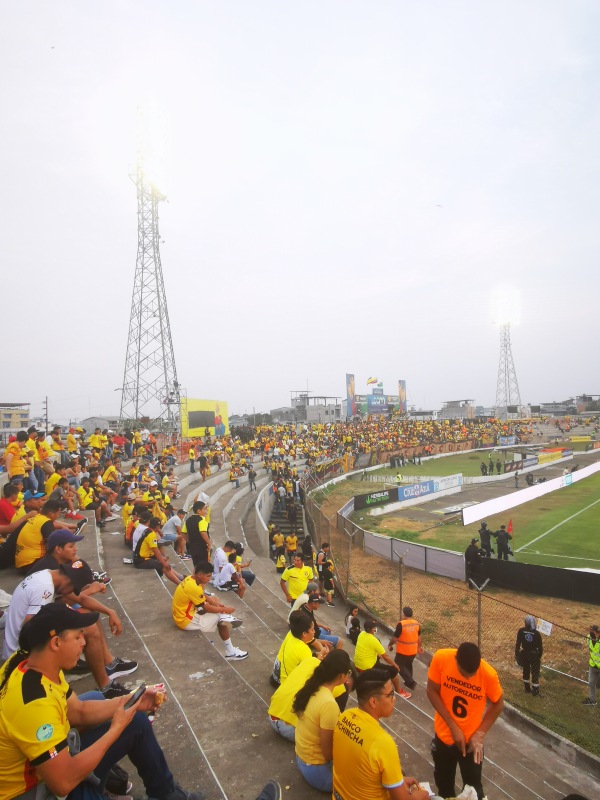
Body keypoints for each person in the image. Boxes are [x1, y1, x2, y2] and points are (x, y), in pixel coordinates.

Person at [0, 603, 204, 800]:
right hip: (32, 790)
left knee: (130, 717)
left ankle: (167, 794)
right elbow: (62, 783)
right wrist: (116, 728)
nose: (84, 643)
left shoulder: (35, 661)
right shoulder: (35, 704)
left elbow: (78, 712)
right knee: (121, 725)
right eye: (78, 636)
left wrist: (129, 701)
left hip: (46, 766)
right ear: (55, 643)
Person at [2, 559, 134, 698]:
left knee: (86, 614)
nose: (73, 592)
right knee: (88, 628)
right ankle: (105, 686)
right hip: (21, 653)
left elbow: (81, 599)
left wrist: (110, 612)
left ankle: (108, 665)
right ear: (68, 580)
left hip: (20, 643)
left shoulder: (49, 575)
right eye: (73, 588)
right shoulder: (44, 588)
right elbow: (31, 629)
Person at [332, 668, 429, 800]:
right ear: (373, 702)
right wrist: (420, 796)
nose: (394, 699)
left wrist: (398, 783)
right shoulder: (382, 742)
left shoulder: (345, 716)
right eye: (391, 694)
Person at [427, 642, 504, 800]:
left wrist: (479, 734)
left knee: (474, 789)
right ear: (456, 660)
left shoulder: (488, 674)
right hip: (444, 737)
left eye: (472, 674)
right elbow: (431, 690)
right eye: (464, 674)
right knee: (444, 785)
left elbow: (498, 704)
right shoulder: (441, 658)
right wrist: (452, 726)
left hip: (471, 744)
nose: (469, 678)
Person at [292, 649, 350, 792]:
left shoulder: (313, 686)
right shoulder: (328, 704)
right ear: (341, 676)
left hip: (302, 759)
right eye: (348, 674)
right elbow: (328, 753)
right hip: (316, 770)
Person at [171, 561, 247, 661]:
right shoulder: (193, 587)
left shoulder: (190, 579)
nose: (209, 579)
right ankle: (231, 652)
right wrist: (225, 610)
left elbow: (201, 594)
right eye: (208, 576)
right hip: (185, 620)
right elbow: (205, 608)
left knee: (219, 612)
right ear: (199, 574)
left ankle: (226, 622)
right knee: (222, 620)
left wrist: (214, 602)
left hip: (182, 614)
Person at [354, 618, 410, 699]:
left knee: (378, 660)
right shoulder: (374, 640)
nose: (375, 628)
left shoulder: (361, 634)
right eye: (374, 627)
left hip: (358, 664)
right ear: (372, 629)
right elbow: (386, 657)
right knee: (393, 670)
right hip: (367, 668)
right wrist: (395, 665)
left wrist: (377, 654)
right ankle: (399, 691)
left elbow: (366, 647)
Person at [272, 611, 320, 686]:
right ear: (304, 633)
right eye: (312, 630)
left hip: (277, 675)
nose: (314, 632)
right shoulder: (303, 649)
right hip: (285, 685)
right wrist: (319, 658)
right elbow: (312, 673)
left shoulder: (291, 634)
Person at [388, 606, 423, 691]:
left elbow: (395, 638)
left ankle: (410, 682)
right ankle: (408, 681)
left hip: (403, 651)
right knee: (408, 665)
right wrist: (419, 647)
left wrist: (390, 644)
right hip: (413, 650)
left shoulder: (401, 624)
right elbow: (419, 637)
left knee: (398, 665)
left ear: (403, 614)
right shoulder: (416, 623)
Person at [515, 615, 543, 696]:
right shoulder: (537, 633)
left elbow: (518, 644)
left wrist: (517, 654)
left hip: (524, 653)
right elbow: (540, 647)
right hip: (534, 654)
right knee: (535, 673)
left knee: (526, 670)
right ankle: (535, 691)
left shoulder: (521, 631)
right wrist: (539, 656)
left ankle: (527, 689)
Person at [582, 624, 600, 705]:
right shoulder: (589, 638)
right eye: (595, 632)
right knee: (591, 683)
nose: (596, 634)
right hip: (593, 665)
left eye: (597, 632)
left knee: (598, 685)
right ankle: (592, 700)